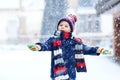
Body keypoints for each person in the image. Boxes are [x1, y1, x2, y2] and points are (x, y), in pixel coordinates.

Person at [28, 14, 110, 80]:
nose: (63, 27)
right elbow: (46, 45)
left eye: (66, 26)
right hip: (56, 74)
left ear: (71, 29)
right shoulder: (53, 40)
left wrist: (98, 50)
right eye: (61, 25)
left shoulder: (75, 42)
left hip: (71, 74)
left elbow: (86, 49)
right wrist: (38, 46)